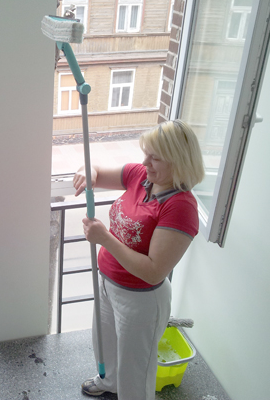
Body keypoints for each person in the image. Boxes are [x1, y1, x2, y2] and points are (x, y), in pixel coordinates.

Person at [73, 120, 205, 399]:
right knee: (105, 344)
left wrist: (105, 238)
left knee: (135, 369)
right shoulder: (141, 176)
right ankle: (109, 382)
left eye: (154, 157)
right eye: (146, 154)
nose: (145, 162)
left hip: (140, 299)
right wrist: (88, 173)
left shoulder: (181, 207)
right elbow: (95, 169)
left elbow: (154, 271)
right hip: (108, 283)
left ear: (178, 161)